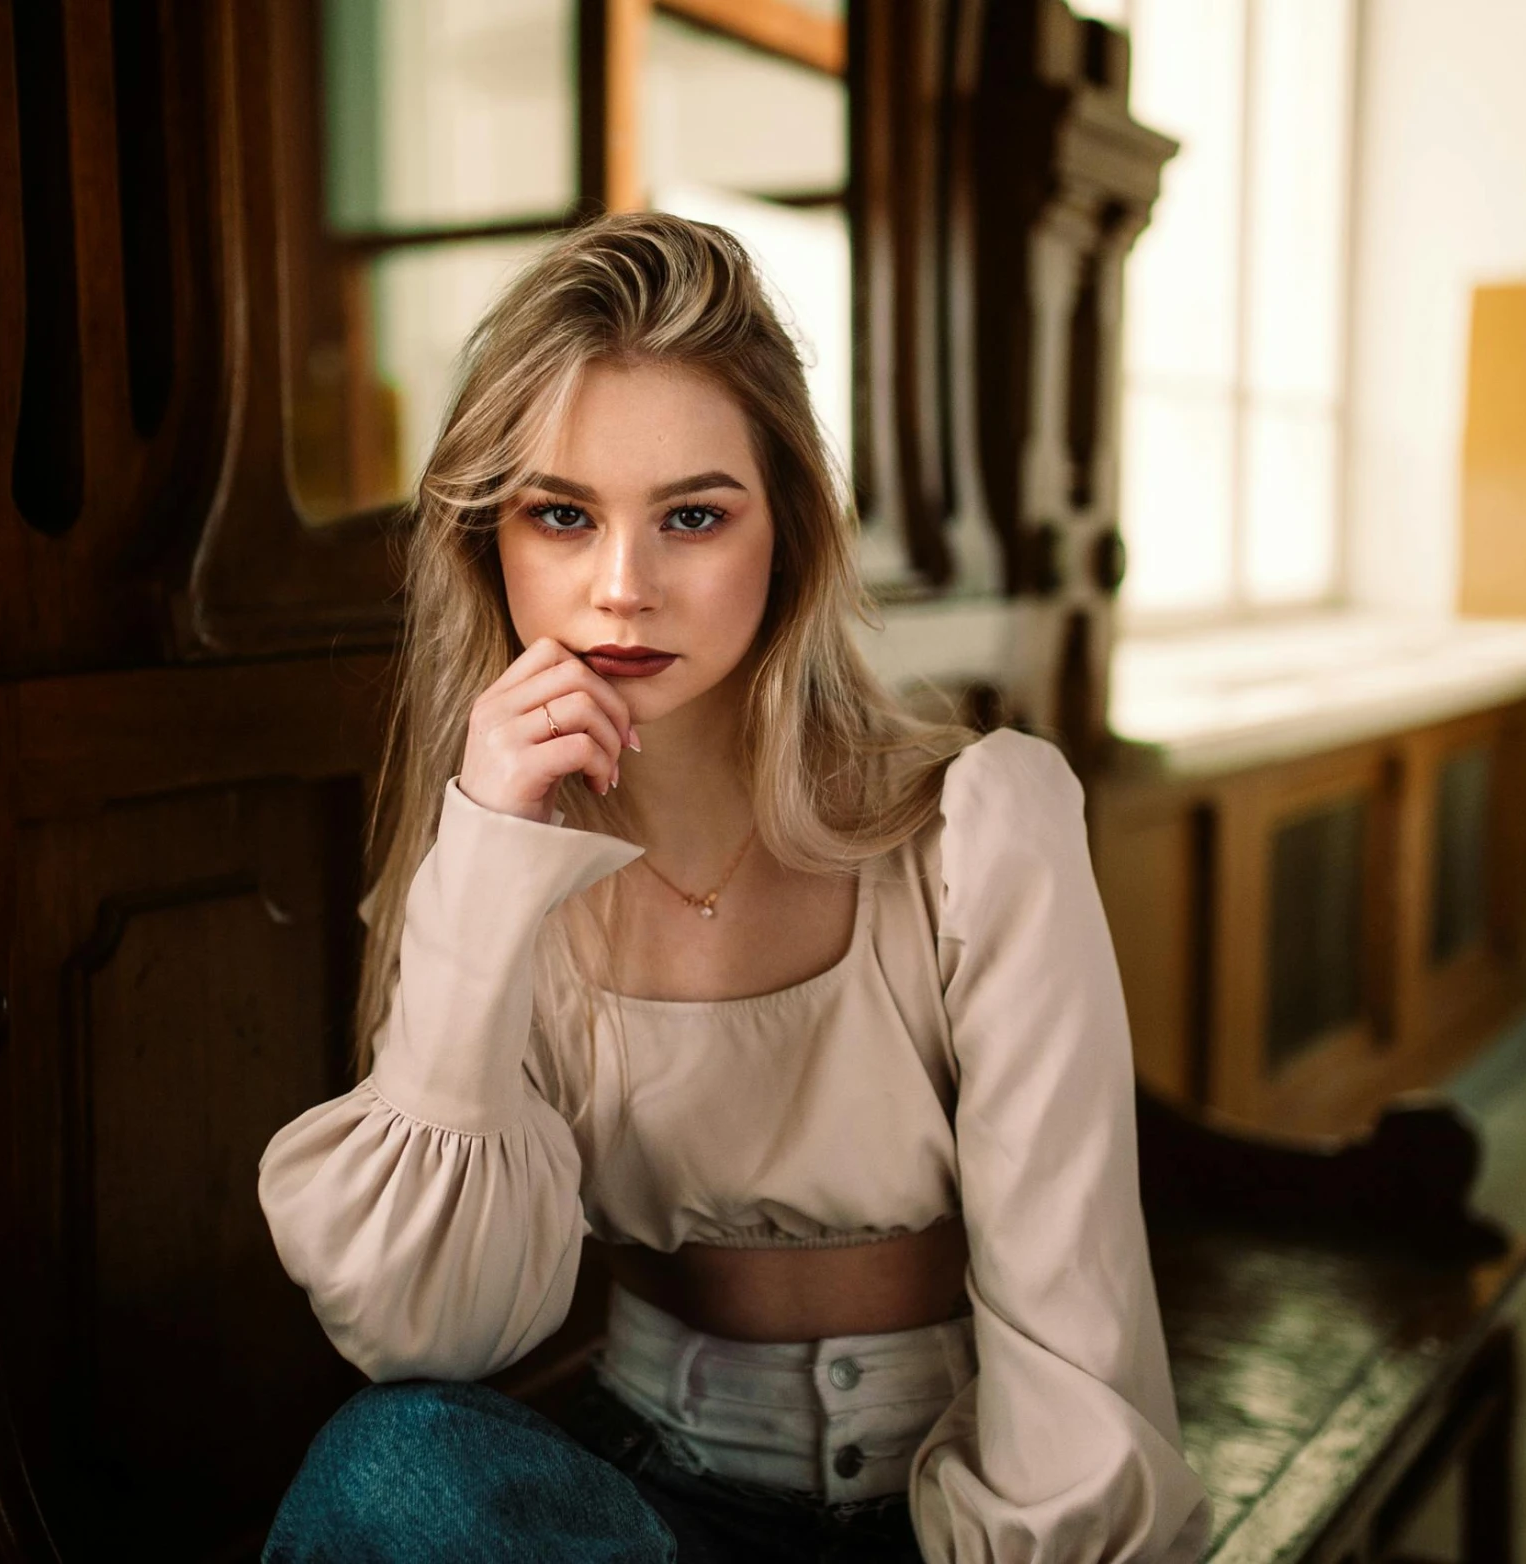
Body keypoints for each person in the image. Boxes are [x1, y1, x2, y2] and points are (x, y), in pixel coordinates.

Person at [255, 211, 1209, 1563]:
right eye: (562, 516)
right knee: (394, 1464)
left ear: (790, 534)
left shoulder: (977, 822)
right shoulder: (483, 858)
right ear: (491, 541)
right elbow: (431, 1334)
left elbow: (1074, 1323)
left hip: (933, 1506)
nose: (623, 589)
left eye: (693, 515)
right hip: (643, 1506)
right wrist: (481, 860)